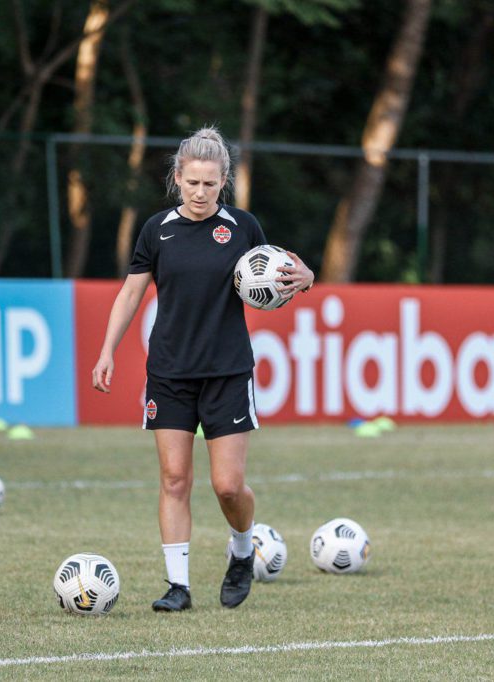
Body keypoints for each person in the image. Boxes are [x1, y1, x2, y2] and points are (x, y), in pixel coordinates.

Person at [91, 125, 315, 611]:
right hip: (169, 370)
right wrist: (108, 349)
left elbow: (282, 270)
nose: (199, 192)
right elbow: (132, 292)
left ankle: (241, 549)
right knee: (174, 479)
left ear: (224, 182)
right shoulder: (156, 230)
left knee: (227, 486)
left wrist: (307, 276)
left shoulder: (243, 227)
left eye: (210, 184)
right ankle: (179, 586)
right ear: (177, 177)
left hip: (227, 370)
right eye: (192, 182)